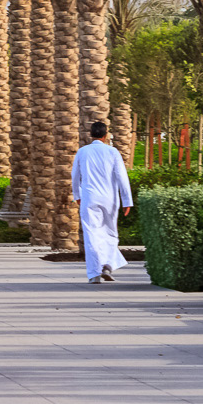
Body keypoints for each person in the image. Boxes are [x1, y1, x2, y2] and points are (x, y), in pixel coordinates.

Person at [70, 120, 132, 283]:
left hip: (89, 198)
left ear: (91, 135)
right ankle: (107, 266)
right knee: (111, 233)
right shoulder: (113, 152)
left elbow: (75, 176)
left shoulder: (82, 152)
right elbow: (122, 177)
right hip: (110, 199)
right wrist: (127, 200)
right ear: (106, 136)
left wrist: (77, 195)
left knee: (91, 235)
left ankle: (94, 274)